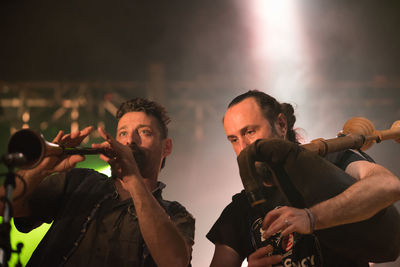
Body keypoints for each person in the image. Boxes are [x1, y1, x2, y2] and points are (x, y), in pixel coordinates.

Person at [207, 90, 400, 267]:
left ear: (281, 124)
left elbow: (388, 185)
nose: (243, 148)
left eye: (250, 132)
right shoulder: (240, 210)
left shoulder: (332, 161)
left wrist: (313, 217)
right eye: (233, 139)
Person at [0, 97, 195, 266]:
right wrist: (41, 168)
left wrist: (132, 178)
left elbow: (174, 262)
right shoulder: (79, 181)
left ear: (167, 147)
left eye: (144, 132)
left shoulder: (176, 214)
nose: (130, 141)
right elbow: (5, 206)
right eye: (123, 133)